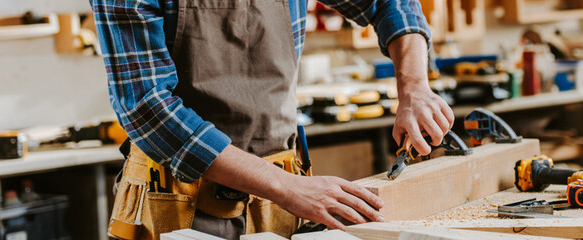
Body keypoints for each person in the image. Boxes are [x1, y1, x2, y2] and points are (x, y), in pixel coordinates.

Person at [92, 0, 454, 238]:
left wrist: (414, 86)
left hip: (282, 204)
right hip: (180, 205)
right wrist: (285, 187)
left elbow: (392, 3)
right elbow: (147, 107)